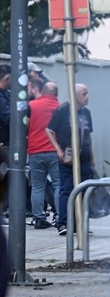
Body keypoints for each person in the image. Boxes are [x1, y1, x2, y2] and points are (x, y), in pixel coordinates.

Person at [46, 84, 94, 237]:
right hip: (68, 157)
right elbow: (49, 130)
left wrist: (92, 156)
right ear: (75, 95)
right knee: (66, 189)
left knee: (83, 189)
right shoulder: (62, 111)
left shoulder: (86, 113)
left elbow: (88, 136)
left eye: (87, 93)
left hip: (84, 158)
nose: (87, 97)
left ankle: (80, 223)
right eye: (84, 94)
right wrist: (58, 150)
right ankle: (64, 223)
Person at [27, 81, 61, 229]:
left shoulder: (32, 105)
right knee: (59, 185)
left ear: (44, 91)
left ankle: (39, 218)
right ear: (56, 94)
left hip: (35, 152)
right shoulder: (60, 108)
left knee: (37, 186)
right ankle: (60, 217)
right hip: (55, 152)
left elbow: (25, 126)